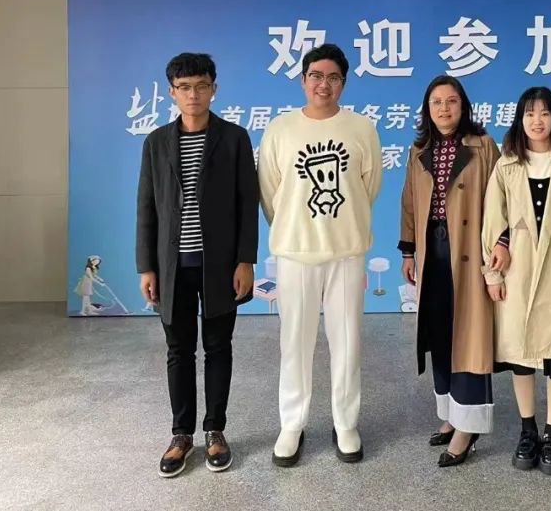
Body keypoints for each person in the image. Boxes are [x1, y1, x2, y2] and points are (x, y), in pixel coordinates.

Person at [259, 43, 382, 466]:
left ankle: (345, 422)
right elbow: (270, 192)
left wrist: (343, 223)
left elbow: (368, 187)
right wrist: (296, 226)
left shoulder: (361, 128)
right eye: (315, 76)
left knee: (347, 342)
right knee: (295, 342)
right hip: (295, 253)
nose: (323, 84)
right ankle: (292, 424)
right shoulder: (281, 129)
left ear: (343, 83)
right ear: (303, 80)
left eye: (332, 77)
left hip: (346, 252)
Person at [136, 52, 259, 477]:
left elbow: (247, 204)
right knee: (178, 350)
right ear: (172, 92)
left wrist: (246, 260)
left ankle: (215, 430)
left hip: (220, 264)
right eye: (185, 87)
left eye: (201, 86)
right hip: (172, 266)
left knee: (219, 347)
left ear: (214, 89)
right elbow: (146, 207)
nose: (194, 94)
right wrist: (146, 267)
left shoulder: (234, 138)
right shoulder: (155, 143)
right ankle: (181, 434)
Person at [481, 86, 551, 476]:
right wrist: (492, 273)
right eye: (529, 113)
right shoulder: (507, 165)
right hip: (517, 274)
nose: (537, 120)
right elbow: (492, 221)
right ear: (520, 120)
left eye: (545, 113)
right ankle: (527, 429)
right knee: (522, 354)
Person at [398, 75, 501, 467]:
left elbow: (501, 200)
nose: (444, 108)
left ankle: (468, 427)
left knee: (469, 335)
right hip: (432, 250)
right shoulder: (419, 149)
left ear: (463, 106)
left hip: (470, 252)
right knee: (439, 331)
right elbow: (409, 202)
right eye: (436, 102)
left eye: (451, 101)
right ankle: (450, 414)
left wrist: (501, 244)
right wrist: (409, 251)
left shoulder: (483, 146)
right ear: (428, 109)